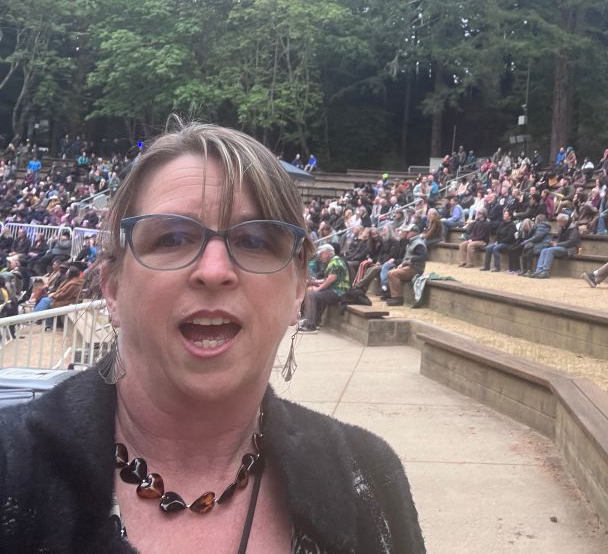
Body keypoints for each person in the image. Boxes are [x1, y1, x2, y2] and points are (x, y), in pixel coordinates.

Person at [0, 121, 424, 553]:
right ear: (112, 287)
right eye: (173, 238)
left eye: (255, 240)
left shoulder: (366, 477)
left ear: (298, 289)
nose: (215, 271)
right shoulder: (11, 470)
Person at [298, 243, 350, 333]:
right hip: (334, 289)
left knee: (312, 295)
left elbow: (331, 279)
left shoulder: (335, 261)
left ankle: (311, 326)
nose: (320, 256)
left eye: (322, 253)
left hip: (339, 292)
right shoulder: (334, 260)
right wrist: (315, 282)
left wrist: (318, 288)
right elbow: (328, 278)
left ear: (328, 253)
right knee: (314, 293)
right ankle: (314, 321)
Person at [385, 224, 428, 306]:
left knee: (392, 273)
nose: (406, 233)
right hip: (409, 267)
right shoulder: (412, 242)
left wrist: (410, 260)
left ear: (413, 233)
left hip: (415, 268)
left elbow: (424, 256)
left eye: (408, 232)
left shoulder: (418, 243)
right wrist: (403, 263)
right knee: (391, 271)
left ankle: (397, 298)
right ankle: (390, 294)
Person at [529, 214, 581, 279]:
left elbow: (571, 242)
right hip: (562, 247)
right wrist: (553, 242)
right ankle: (538, 271)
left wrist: (557, 244)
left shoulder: (573, 227)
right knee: (544, 250)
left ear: (564, 221)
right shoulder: (563, 227)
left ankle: (545, 272)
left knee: (550, 250)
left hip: (570, 249)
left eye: (558, 221)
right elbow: (559, 239)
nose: (557, 223)